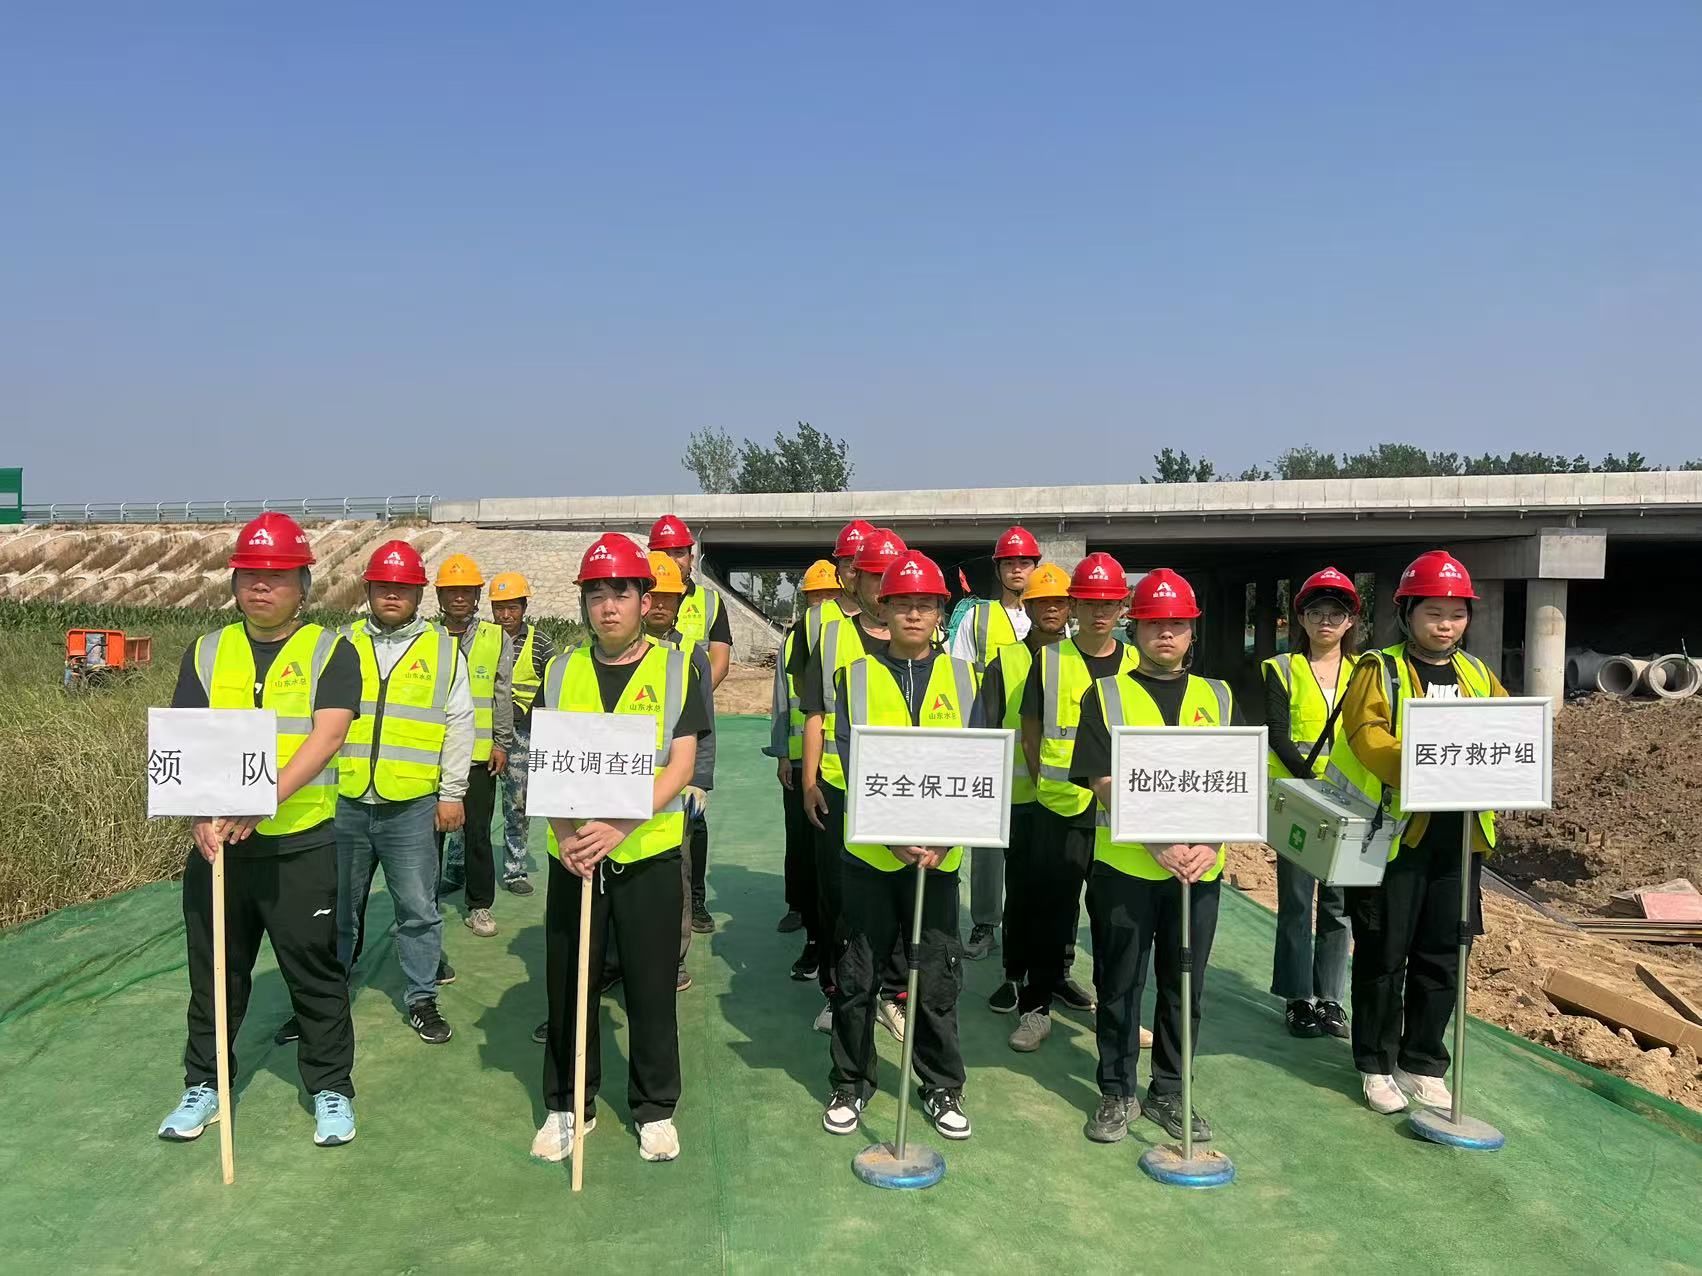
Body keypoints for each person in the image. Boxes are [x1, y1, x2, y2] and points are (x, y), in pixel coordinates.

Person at [156, 514, 360, 1149]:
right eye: (249, 575)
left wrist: (263, 798)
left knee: (313, 973)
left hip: (299, 847)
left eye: (276, 576)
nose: (261, 587)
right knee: (215, 974)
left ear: (304, 585)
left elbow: (328, 735)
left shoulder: (330, 651)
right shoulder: (206, 651)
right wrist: (199, 814)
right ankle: (205, 1084)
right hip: (221, 849)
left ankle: (330, 1088)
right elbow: (185, 740)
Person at [531, 534, 708, 1166]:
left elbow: (680, 765)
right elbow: (547, 764)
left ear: (644, 599)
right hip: (573, 857)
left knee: (651, 987)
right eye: (596, 594)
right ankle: (568, 1104)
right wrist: (567, 835)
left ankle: (655, 1108)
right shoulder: (560, 671)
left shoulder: (676, 669)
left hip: (647, 855)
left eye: (621, 593)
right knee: (569, 984)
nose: (608, 606)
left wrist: (619, 826)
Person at [1072, 568, 1243, 1146]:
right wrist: (1156, 841)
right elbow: (1101, 779)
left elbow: (1237, 781)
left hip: (1199, 870)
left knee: (1183, 986)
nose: (1165, 633)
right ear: (1134, 628)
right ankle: (1116, 1089)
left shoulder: (1218, 696)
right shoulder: (1106, 695)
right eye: (1153, 623)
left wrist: (1210, 843)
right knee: (1120, 983)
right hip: (1126, 869)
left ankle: (1170, 1089)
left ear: (1192, 631)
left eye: (1176, 623)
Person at [1334, 550, 1508, 1116]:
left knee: (1443, 952)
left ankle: (1423, 1062)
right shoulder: (1377, 669)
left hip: (1459, 840)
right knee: (1384, 953)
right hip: (1396, 838)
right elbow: (1368, 737)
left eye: (1457, 614)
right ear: (1406, 613)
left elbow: (1508, 730)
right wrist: (1430, 769)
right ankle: (1376, 1062)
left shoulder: (1477, 674)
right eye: (1434, 612)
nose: (1446, 625)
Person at [822, 551, 984, 1143]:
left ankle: (941, 1085)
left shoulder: (966, 679)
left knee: (936, 980)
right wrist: (892, 836)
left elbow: (979, 765)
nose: (914, 614)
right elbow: (850, 761)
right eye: (903, 604)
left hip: (939, 860)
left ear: (940, 612)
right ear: (882, 609)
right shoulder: (855, 676)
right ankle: (850, 1082)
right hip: (872, 857)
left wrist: (944, 838)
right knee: (858, 977)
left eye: (925, 604)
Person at [331, 540, 474, 1045]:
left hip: (411, 806)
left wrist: (452, 792)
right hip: (345, 799)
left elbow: (460, 723)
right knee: (338, 907)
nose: (392, 594)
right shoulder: (341, 644)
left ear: (419, 594)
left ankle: (421, 997)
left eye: (403, 586)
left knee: (417, 908)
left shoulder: (443, 650)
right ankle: (326, 999)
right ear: (368, 589)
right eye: (383, 585)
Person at [1011, 552, 1138, 1019]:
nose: (1099, 612)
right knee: (1051, 912)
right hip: (1060, 810)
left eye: (1109, 603)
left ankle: (1116, 1016)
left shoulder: (1136, 661)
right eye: (1089, 602)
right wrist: (1045, 782)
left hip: (1117, 816)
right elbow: (1031, 733)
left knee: (1115, 920)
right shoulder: (1048, 660)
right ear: (1074, 606)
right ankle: (1037, 1006)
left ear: (1122, 608)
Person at [799, 528, 907, 1037]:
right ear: (855, 580)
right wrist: (809, 780)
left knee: (897, 893)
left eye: (891, 575)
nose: (883, 585)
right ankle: (837, 991)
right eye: (873, 576)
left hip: (899, 789)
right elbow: (815, 712)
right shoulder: (831, 635)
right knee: (838, 897)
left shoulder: (920, 637)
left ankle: (890, 994)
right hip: (839, 787)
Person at [974, 562, 1069, 1050]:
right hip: (1020, 799)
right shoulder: (1005, 661)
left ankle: (1058, 973)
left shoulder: (1081, 658)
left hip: (1073, 800)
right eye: (1041, 601)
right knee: (1024, 893)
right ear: (1026, 607)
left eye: (1059, 601)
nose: (1051, 608)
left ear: (1071, 607)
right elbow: (984, 729)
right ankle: (1015, 974)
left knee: (1066, 894)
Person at [1264, 566, 1360, 1040]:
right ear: (1301, 618)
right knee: (1298, 900)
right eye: (1316, 612)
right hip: (1300, 799)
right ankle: (1298, 997)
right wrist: (1311, 785)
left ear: (1350, 622)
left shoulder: (1365, 672)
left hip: (1351, 800)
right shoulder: (1281, 668)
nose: (1326, 621)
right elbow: (1278, 733)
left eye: (1335, 613)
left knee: (1340, 905)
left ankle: (1331, 999)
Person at [950, 525, 1040, 963]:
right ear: (998, 568)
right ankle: (985, 922)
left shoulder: (1053, 614)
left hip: (1042, 752)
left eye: (1024, 562)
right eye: (1010, 562)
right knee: (987, 842)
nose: (1017, 569)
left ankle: (1028, 924)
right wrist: (966, 744)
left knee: (1036, 846)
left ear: (1035, 566)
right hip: (989, 743)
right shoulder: (977, 618)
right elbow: (957, 676)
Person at [648, 515, 732, 934]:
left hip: (688, 725)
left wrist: (686, 701)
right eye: (662, 552)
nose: (671, 559)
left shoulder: (710, 603)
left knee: (691, 825)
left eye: (677, 552)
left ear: (691, 556)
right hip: (645, 734)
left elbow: (719, 659)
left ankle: (694, 900)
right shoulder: (630, 608)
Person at [642, 551, 717, 993]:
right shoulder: (618, 652)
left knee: (676, 874)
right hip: (625, 779)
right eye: (654, 595)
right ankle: (616, 959)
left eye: (669, 597)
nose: (661, 604)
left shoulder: (692, 655)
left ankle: (674, 959)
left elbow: (705, 722)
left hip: (676, 782)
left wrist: (700, 780)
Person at [765, 558, 843, 980]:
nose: (824, 602)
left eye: (830, 594)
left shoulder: (852, 633)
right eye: (817, 595)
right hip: (801, 760)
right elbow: (782, 697)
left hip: (840, 763)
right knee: (800, 844)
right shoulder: (799, 634)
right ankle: (803, 915)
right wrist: (783, 754)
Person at [434, 553, 516, 938]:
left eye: (466, 591)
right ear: (439, 596)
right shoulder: (426, 639)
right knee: (428, 836)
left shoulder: (496, 638)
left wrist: (502, 742)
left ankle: (479, 905)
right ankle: (423, 903)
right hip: (432, 756)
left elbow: (502, 694)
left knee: (478, 833)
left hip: (479, 756)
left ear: (477, 595)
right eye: (451, 591)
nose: (459, 598)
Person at [490, 570, 553, 897]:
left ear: (524, 608)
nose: (505, 615)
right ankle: (457, 867)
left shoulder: (540, 642)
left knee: (517, 803)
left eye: (512, 607)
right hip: (483, 733)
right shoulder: (483, 639)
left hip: (522, 734)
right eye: (499, 607)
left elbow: (555, 681)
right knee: (468, 801)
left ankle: (514, 870)